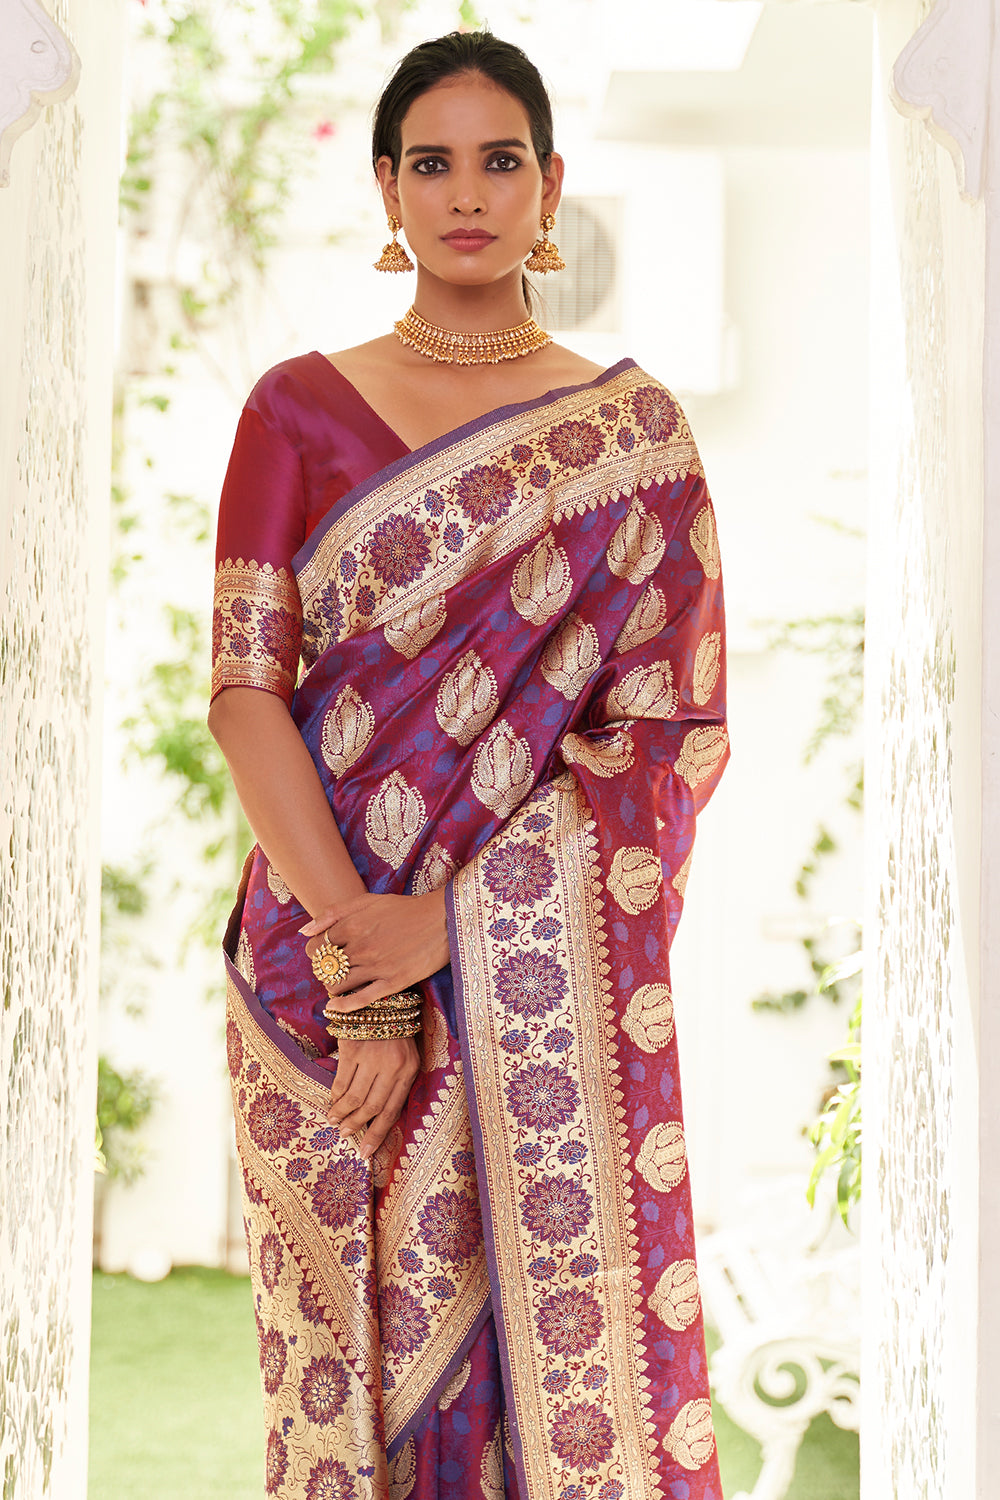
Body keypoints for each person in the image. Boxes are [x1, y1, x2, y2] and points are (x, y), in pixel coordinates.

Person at [208, 30, 729, 1500]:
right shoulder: (295, 409)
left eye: (500, 162)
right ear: (386, 188)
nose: (466, 194)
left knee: (516, 1378)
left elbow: (661, 744)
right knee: (347, 1385)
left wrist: (450, 928)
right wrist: (364, 969)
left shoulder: (634, 443)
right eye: (430, 163)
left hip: (522, 974)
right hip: (317, 969)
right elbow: (245, 696)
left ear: (551, 186)